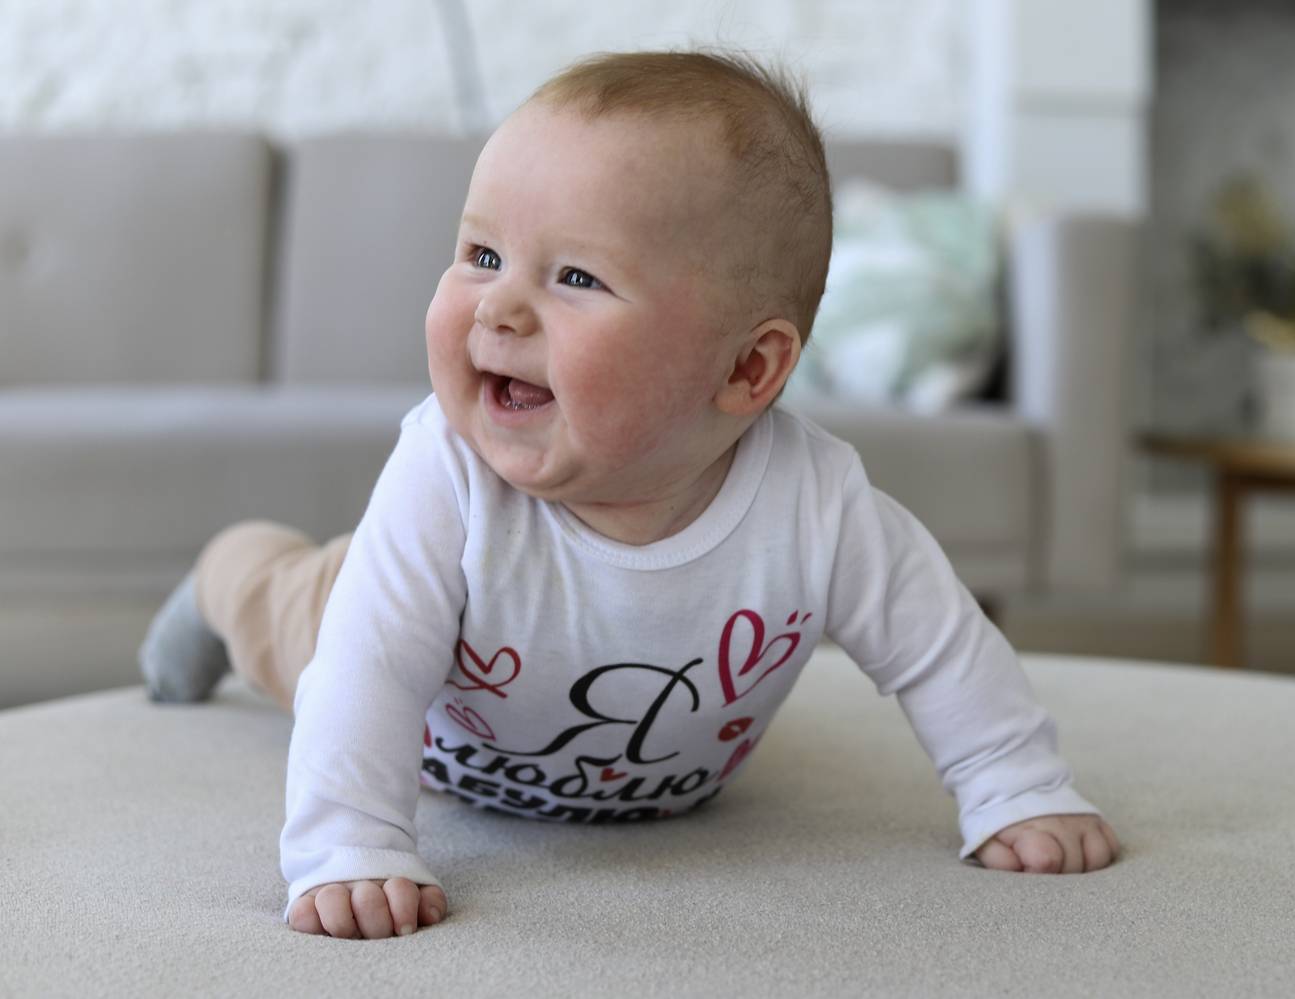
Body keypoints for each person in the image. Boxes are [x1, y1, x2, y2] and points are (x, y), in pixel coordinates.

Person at [139, 49, 1120, 940]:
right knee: (281, 603)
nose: (500, 306)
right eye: (482, 255)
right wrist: (350, 847)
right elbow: (369, 671)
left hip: (633, 769)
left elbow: (939, 645)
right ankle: (223, 574)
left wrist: (1016, 787)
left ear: (747, 369)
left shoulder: (817, 505)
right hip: (368, 622)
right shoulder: (446, 470)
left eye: (575, 276)